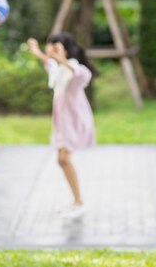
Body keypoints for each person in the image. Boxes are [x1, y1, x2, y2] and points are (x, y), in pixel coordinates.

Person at [27, 33, 97, 218]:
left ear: (64, 49)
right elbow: (47, 62)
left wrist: (62, 60)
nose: (50, 50)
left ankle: (78, 202)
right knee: (61, 160)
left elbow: (83, 74)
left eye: (54, 46)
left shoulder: (73, 69)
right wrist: (35, 50)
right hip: (62, 122)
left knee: (64, 159)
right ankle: (76, 201)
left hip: (75, 121)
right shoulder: (58, 69)